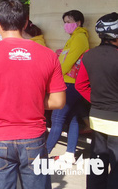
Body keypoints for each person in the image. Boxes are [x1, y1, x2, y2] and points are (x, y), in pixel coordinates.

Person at [0, 0, 66, 189]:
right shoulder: (48, 55)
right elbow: (58, 101)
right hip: (33, 137)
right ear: (26, 22)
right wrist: (32, 99)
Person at [76, 12, 118, 188]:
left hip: (97, 117)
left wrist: (97, 101)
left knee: (98, 162)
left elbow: (80, 85)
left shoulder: (88, 55)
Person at [46, 9, 89, 163]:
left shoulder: (79, 38)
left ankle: (43, 154)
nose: (66, 25)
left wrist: (54, 76)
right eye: (64, 22)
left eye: (69, 22)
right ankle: (70, 153)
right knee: (73, 118)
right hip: (72, 83)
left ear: (78, 23)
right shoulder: (75, 37)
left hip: (70, 83)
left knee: (57, 118)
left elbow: (68, 62)